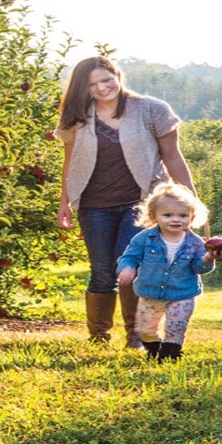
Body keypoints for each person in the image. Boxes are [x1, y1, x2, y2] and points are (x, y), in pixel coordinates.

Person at [54, 56, 196, 349]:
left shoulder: (151, 110)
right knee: (102, 271)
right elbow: (70, 163)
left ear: (118, 75)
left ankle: (136, 336)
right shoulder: (78, 115)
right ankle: (98, 337)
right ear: (84, 89)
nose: (102, 88)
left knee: (129, 267)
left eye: (106, 80)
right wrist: (64, 203)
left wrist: (190, 201)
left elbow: (173, 157)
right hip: (93, 205)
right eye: (92, 85)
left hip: (141, 204)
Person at [115, 183, 222, 361]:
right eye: (167, 215)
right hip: (150, 293)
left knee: (176, 326)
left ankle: (170, 355)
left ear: (191, 218)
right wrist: (127, 268)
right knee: (145, 330)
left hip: (182, 293)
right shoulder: (144, 239)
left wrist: (208, 258)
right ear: (154, 217)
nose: (175, 220)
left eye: (183, 215)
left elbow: (198, 268)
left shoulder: (196, 243)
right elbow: (129, 257)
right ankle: (154, 350)